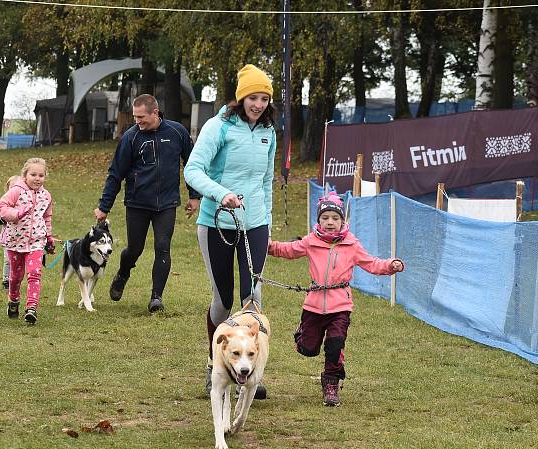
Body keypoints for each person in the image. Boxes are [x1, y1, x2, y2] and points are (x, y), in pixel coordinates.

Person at [184, 64, 276, 398]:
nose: (259, 104)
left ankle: (252, 372)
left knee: (252, 299)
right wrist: (221, 193)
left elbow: (265, 181)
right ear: (241, 98)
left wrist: (264, 219)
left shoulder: (268, 131)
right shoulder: (219, 126)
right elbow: (193, 170)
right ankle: (215, 365)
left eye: (264, 98)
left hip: (255, 225)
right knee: (223, 302)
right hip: (216, 223)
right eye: (253, 97)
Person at [268, 191, 405, 406]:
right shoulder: (311, 241)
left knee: (335, 344)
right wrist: (268, 246)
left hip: (340, 304)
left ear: (343, 221)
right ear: (319, 220)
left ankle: (331, 384)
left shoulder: (352, 245)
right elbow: (289, 250)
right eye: (325, 218)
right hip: (313, 304)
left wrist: (390, 265)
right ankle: (302, 337)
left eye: (335, 218)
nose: (330, 222)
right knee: (308, 349)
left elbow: (372, 263)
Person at [95, 93, 200, 313]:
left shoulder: (176, 132)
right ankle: (123, 273)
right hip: (137, 203)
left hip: (167, 203)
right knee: (135, 249)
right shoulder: (131, 137)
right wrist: (104, 207)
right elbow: (116, 174)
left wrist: (194, 195)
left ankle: (156, 298)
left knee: (163, 247)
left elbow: (192, 164)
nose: (137, 121)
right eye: (135, 117)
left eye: (141, 116)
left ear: (155, 112)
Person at [0, 158, 55, 325]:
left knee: (35, 273)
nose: (37, 178)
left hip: (36, 241)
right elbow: (1, 208)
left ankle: (31, 308)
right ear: (25, 175)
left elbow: (47, 218)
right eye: (33, 174)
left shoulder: (46, 196)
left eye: (41, 175)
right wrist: (17, 213)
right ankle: (13, 300)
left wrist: (49, 238)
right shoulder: (16, 191)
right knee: (15, 276)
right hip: (15, 241)